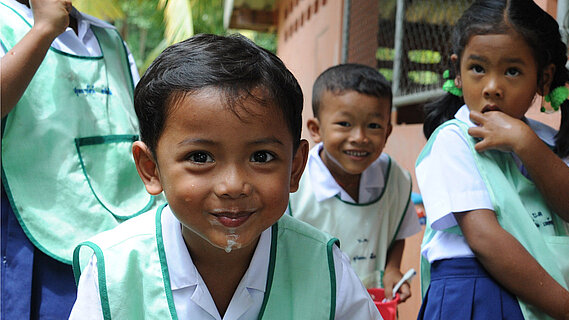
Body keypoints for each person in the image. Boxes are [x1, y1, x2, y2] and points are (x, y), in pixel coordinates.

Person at [69, 34, 381, 319]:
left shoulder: (325, 269)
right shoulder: (114, 272)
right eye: (200, 158)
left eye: (261, 157)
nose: (233, 186)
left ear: (295, 167)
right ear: (151, 169)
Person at [415, 0, 569, 318]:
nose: (492, 88)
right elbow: (483, 236)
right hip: (475, 295)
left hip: (542, 295)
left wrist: (527, 144)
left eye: (512, 71)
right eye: (478, 69)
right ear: (457, 72)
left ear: (544, 78)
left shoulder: (544, 142)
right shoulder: (452, 141)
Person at [0, 0, 154, 318]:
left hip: (117, 237)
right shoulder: (7, 22)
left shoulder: (109, 39)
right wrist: (43, 29)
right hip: (37, 235)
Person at [288, 63, 420, 302]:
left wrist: (392, 269)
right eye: (344, 124)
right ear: (315, 129)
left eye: (373, 126)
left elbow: (398, 230)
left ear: (388, 132)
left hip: (373, 304)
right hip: (309, 303)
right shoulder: (294, 184)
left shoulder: (395, 179)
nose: (359, 138)